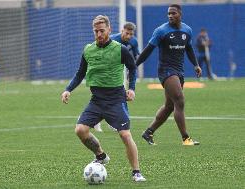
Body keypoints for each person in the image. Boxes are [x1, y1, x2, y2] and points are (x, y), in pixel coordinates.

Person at [61, 15, 146, 182]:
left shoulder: (120, 49)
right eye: (96, 31)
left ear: (109, 30)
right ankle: (100, 155)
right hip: (97, 100)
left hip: (116, 99)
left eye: (102, 31)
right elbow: (80, 73)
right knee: (80, 130)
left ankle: (136, 172)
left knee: (125, 135)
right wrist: (68, 89)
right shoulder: (88, 50)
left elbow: (132, 68)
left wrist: (132, 89)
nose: (99, 34)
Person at [137, 4, 202, 146]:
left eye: (173, 13)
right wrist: (135, 64)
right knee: (179, 100)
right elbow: (148, 50)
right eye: (168, 14)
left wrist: (196, 65)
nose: (170, 16)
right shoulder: (161, 31)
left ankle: (148, 132)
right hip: (166, 70)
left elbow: (189, 49)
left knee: (169, 106)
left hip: (179, 71)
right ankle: (186, 138)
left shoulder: (187, 30)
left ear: (180, 14)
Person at [94, 21, 140, 132]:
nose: (128, 36)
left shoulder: (134, 42)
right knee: (104, 95)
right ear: (122, 31)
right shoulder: (112, 39)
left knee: (119, 95)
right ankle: (96, 121)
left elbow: (135, 58)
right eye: (126, 33)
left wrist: (131, 70)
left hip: (120, 69)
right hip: (106, 70)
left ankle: (113, 122)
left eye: (131, 34)